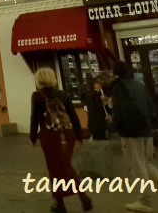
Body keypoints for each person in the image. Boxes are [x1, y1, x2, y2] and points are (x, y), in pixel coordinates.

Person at [30, 68, 92, 213]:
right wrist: (79, 135)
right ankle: (83, 197)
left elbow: (34, 118)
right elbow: (73, 115)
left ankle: (60, 203)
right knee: (66, 165)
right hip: (67, 134)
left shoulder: (37, 96)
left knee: (54, 169)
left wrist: (33, 137)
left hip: (50, 135)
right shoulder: (62, 94)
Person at [111, 60, 158, 213]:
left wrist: (115, 125)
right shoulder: (140, 85)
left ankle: (145, 201)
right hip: (145, 129)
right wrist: (152, 125)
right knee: (146, 163)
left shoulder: (119, 88)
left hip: (130, 131)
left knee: (138, 167)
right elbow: (150, 105)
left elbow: (118, 110)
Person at [81, 76, 108, 140]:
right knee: (101, 137)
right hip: (99, 119)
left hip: (92, 118)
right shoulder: (96, 94)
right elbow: (99, 107)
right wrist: (105, 114)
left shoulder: (87, 94)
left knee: (95, 137)